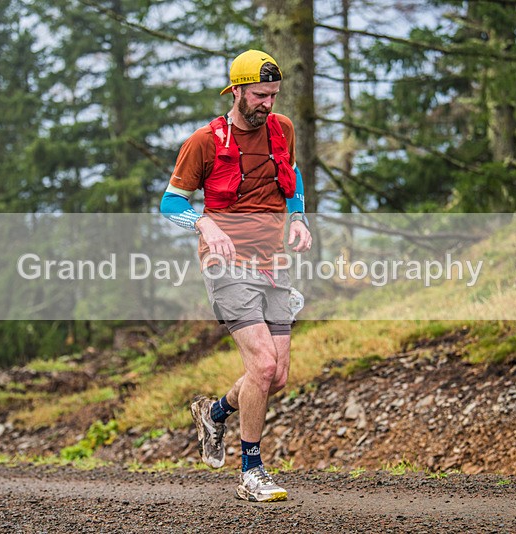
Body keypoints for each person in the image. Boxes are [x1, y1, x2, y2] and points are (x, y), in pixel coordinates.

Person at [161, 49, 311, 502]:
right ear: (238, 91)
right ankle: (252, 471)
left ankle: (215, 412)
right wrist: (203, 222)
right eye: (260, 95)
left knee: (276, 376)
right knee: (262, 365)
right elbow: (171, 203)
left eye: (273, 95)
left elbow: (293, 174)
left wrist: (299, 217)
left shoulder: (281, 128)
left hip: (273, 261)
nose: (268, 104)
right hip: (225, 265)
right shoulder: (204, 142)